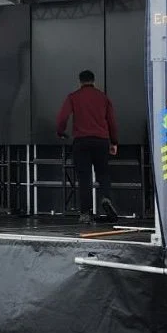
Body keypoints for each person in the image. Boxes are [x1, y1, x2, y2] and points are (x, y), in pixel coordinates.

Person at [56, 71, 118, 226]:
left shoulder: (73, 97)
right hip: (101, 141)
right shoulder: (103, 98)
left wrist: (61, 132)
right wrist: (114, 142)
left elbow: (62, 117)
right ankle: (105, 198)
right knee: (103, 173)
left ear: (80, 82)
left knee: (84, 178)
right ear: (94, 81)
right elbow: (111, 121)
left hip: (81, 141)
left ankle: (85, 213)